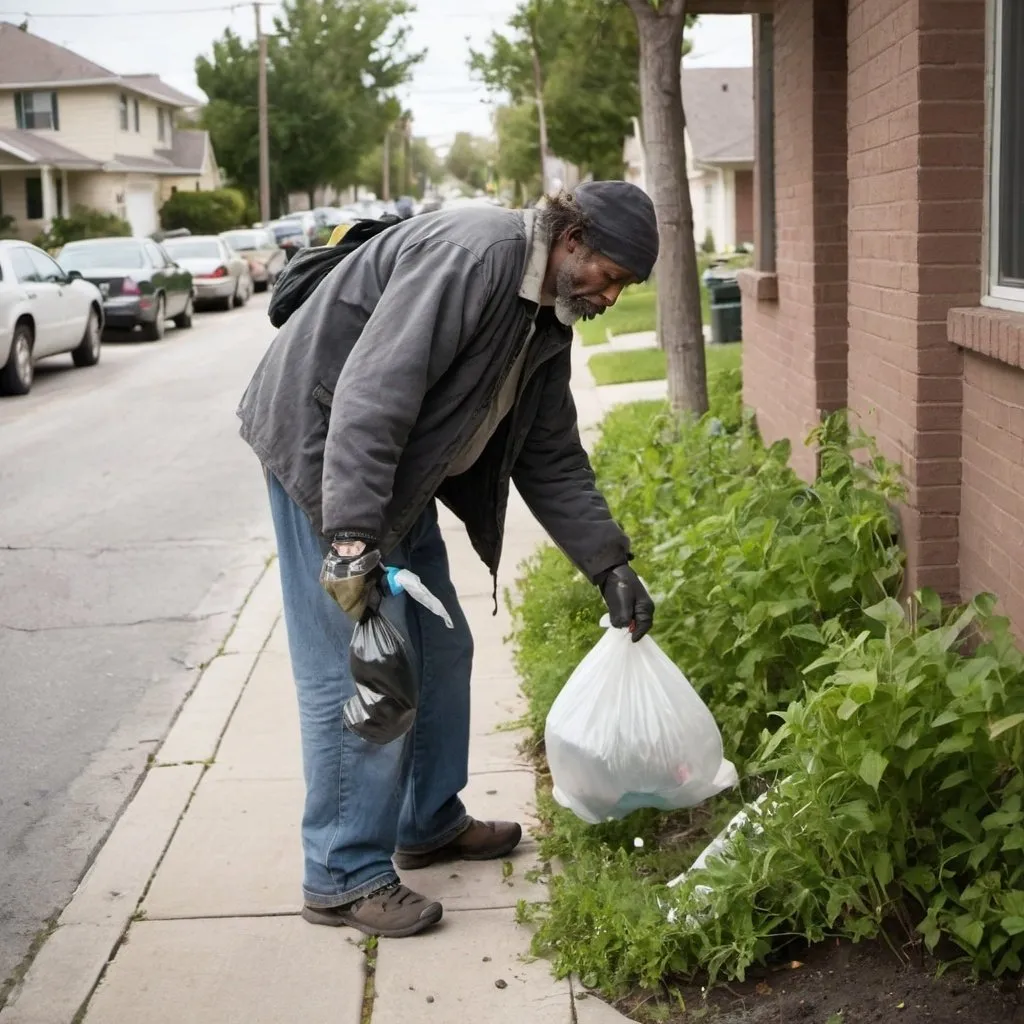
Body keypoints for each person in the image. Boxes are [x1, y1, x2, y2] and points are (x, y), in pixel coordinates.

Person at [237, 180, 659, 938]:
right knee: (363, 669)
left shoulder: (545, 319)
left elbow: (552, 456)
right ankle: (341, 873)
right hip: (329, 454)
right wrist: (352, 539)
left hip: (398, 472)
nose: (613, 297)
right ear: (573, 241)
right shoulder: (477, 254)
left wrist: (609, 565)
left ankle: (426, 821)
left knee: (440, 646)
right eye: (614, 276)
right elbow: (374, 393)